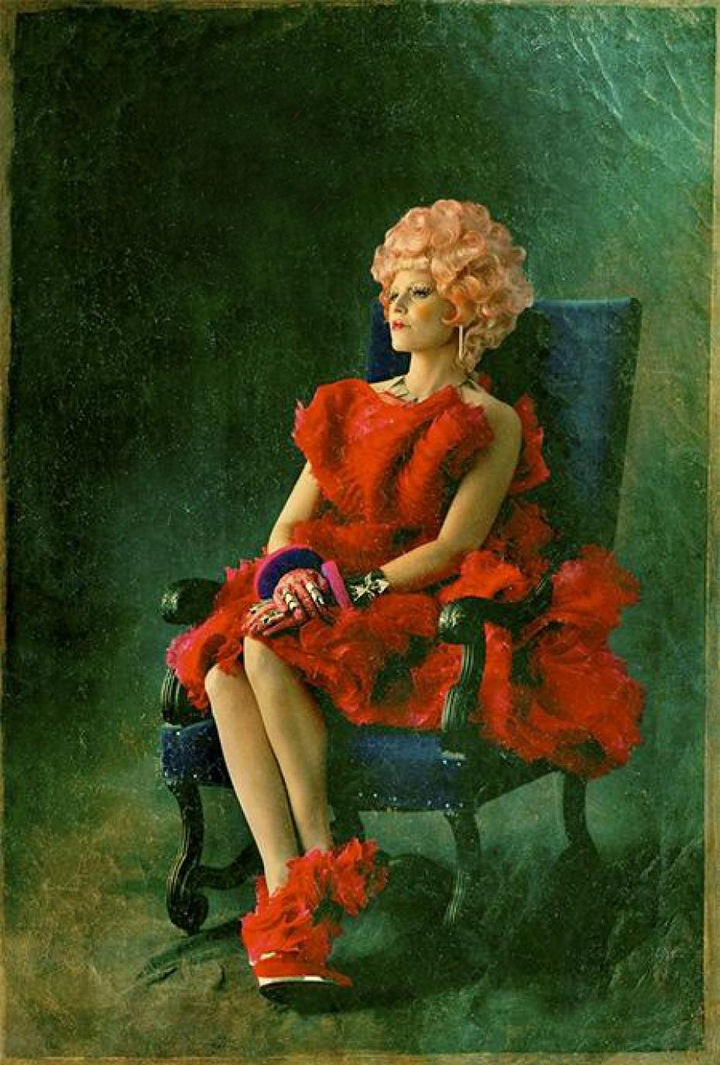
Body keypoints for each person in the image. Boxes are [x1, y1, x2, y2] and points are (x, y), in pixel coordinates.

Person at [166, 199, 645, 1005]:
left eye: (417, 292)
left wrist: (346, 590)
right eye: (392, 290)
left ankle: (309, 881)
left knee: (256, 649)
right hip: (323, 581)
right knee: (224, 666)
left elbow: (455, 546)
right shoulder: (349, 402)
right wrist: (295, 579)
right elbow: (288, 525)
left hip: (409, 597)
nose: (393, 305)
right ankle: (295, 890)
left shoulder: (489, 420)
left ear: (464, 308)